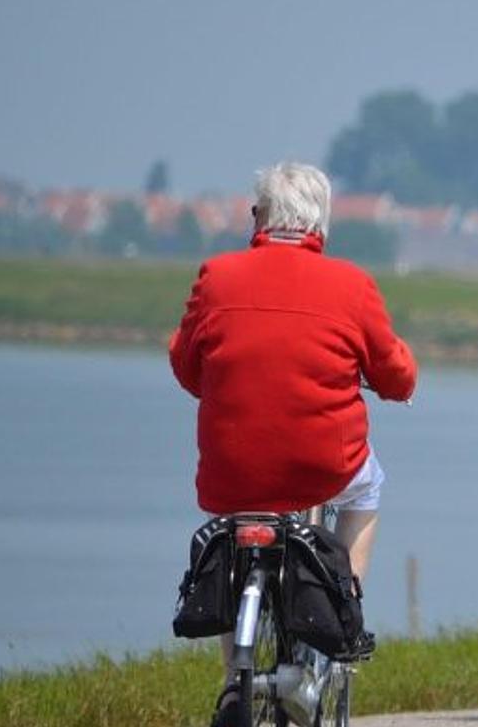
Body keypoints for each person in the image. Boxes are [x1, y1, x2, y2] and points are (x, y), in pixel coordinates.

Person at [169, 162, 416, 726]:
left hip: (232, 468)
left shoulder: (217, 275)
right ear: (320, 225)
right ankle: (340, 618)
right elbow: (396, 373)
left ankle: (236, 676)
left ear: (259, 218)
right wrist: (394, 382)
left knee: (236, 532)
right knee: (366, 492)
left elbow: (186, 365)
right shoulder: (352, 285)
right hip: (323, 464)